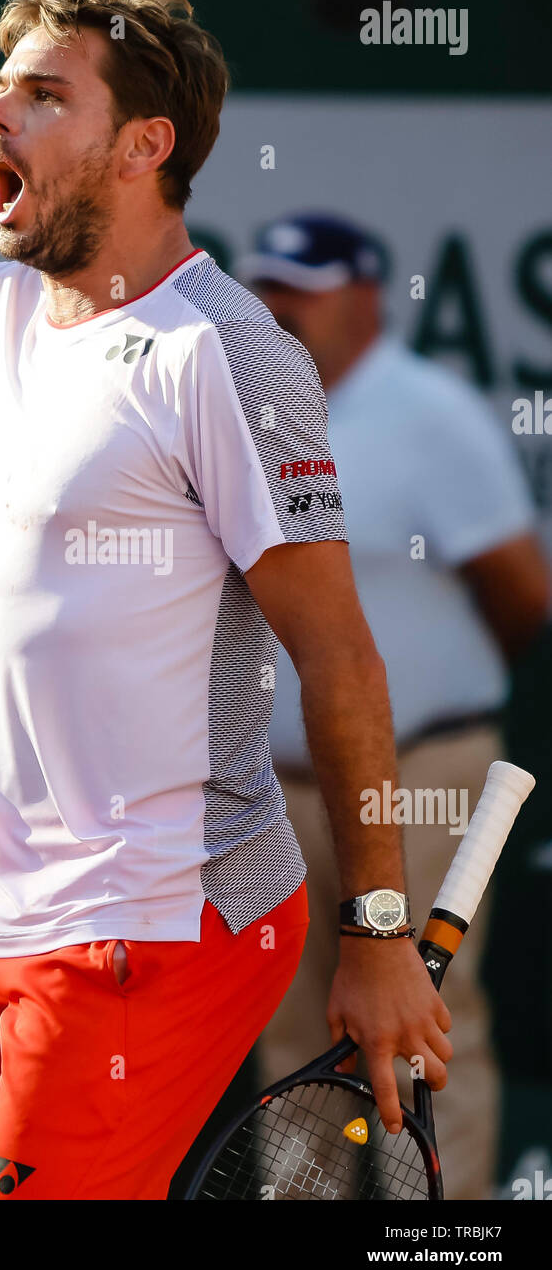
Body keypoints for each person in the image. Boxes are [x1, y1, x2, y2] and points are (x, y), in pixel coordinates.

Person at [0, 0, 452, 1201]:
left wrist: (375, 933)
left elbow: (339, 655)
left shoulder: (228, 354)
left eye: (39, 96)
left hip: (163, 919)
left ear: (144, 144)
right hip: (5, 925)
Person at [237, 212, 550, 1199]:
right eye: (267, 287)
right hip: (276, 790)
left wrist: (420, 697)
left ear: (366, 297)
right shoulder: (243, 411)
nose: (279, 307)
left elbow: (519, 595)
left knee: (424, 1026)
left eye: (304, 287)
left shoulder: (431, 412)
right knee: (290, 1045)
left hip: (421, 778)